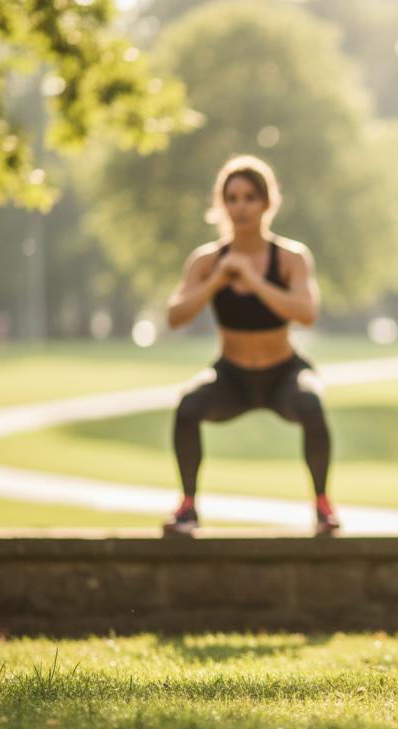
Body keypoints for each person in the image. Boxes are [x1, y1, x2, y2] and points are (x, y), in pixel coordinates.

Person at [162, 155, 340, 537]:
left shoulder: (290, 257)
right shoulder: (208, 261)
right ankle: (188, 506)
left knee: (311, 403)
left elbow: (306, 312)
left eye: (249, 197)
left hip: (283, 374)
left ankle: (323, 506)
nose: (240, 207)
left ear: (267, 203)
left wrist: (254, 280)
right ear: (222, 205)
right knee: (188, 406)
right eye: (232, 198)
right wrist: (217, 281)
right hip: (232, 377)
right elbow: (175, 316)